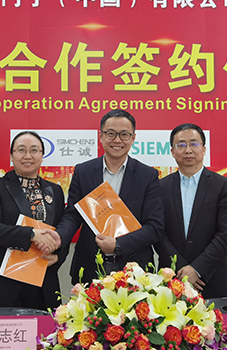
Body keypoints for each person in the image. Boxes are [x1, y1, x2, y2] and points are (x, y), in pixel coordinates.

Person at [50, 109, 165, 285]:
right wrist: (60, 236)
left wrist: (118, 245)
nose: (117, 140)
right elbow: (73, 215)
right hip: (90, 265)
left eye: (124, 134)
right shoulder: (83, 171)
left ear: (133, 138)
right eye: (111, 133)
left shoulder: (147, 175)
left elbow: (155, 227)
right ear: (101, 136)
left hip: (135, 268)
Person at [0, 131, 65, 310]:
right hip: (6, 282)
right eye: (21, 150)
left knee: (46, 327)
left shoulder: (55, 190)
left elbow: (61, 230)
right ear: (12, 156)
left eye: (34, 150)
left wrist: (58, 257)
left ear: (42, 155)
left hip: (43, 280)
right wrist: (31, 234)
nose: (28, 156)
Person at [155, 123, 227, 299]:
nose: (188, 150)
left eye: (194, 144)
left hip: (212, 279)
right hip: (171, 279)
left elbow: (226, 234)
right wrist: (181, 270)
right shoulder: (160, 187)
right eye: (181, 145)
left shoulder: (222, 186)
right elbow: (157, 232)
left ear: (204, 149)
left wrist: (197, 269)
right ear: (172, 151)